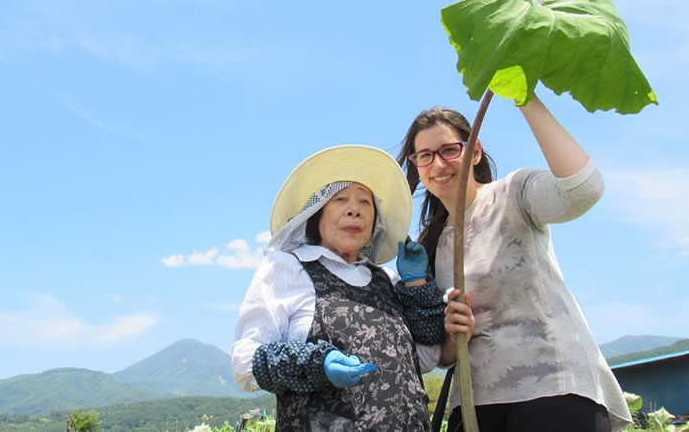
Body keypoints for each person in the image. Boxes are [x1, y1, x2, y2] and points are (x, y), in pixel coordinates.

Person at [397, 96, 632, 431]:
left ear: (474, 151)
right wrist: (455, 330)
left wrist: (525, 99)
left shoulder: (513, 194)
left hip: (553, 387)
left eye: (449, 150)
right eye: (425, 156)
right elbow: (444, 357)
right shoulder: (427, 249)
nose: (438, 165)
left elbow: (584, 190)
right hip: (475, 404)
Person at [232, 145, 453, 431]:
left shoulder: (386, 281)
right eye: (340, 200)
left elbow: (424, 360)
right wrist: (314, 364)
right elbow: (245, 364)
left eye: (365, 202)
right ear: (317, 213)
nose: (354, 210)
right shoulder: (287, 269)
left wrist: (417, 286)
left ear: (375, 220)